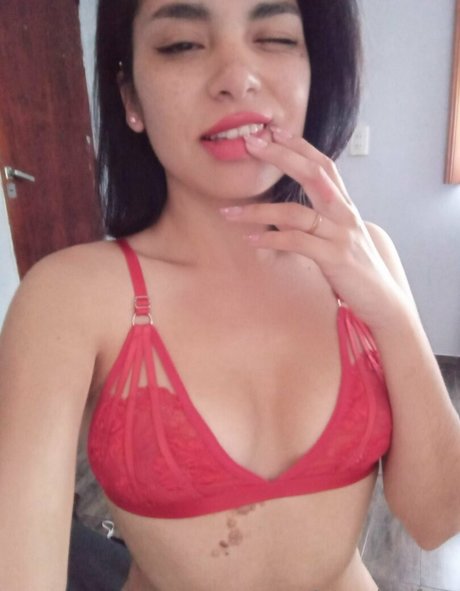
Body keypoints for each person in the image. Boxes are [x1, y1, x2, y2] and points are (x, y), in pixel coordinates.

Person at [1, 0, 459, 589]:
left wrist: (391, 313)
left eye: (275, 38)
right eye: (183, 45)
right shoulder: (69, 298)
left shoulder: (368, 257)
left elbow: (436, 518)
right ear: (131, 97)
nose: (237, 77)